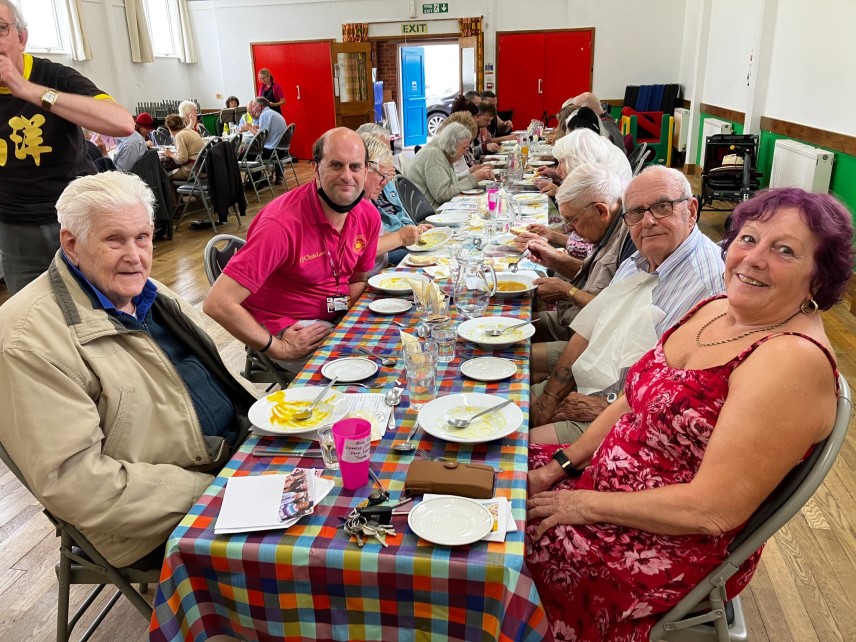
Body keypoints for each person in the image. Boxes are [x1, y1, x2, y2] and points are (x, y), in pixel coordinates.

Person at [526, 187, 853, 641]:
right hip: (600, 487)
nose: (753, 259)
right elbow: (631, 398)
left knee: (490, 551)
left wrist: (579, 503)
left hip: (657, 543)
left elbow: (711, 510)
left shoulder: (790, 361)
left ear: (819, 276)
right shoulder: (718, 308)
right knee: (491, 473)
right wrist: (561, 466)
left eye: (784, 250)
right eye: (748, 238)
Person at [0, 172, 258, 569]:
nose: (135, 255)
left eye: (142, 237)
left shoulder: (145, 290)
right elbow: (77, 484)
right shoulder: (28, 340)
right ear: (71, 243)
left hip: (230, 455)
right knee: (320, 555)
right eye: (114, 239)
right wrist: (212, 490)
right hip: (158, 515)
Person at [530, 166, 725, 440]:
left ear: (691, 210)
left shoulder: (710, 287)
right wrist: (551, 394)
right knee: (504, 405)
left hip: (627, 419)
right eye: (635, 213)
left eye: (662, 207)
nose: (647, 221)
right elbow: (590, 330)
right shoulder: (638, 260)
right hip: (591, 382)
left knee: (512, 452)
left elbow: (684, 395)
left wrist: (605, 406)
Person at [203, 127, 381, 374]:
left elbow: (358, 280)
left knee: (393, 342)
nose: (347, 176)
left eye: (355, 167)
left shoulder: (369, 215)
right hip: (291, 329)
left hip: (334, 316)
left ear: (366, 170)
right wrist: (277, 347)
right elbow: (217, 302)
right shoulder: (280, 225)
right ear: (316, 168)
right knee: (362, 372)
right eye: (336, 165)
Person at [0, 0, 134, 294]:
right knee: (32, 320)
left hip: (76, 219)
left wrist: (29, 91)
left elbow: (122, 123)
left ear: (21, 38)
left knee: (97, 309)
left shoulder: (54, 76)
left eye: (0, 28)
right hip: (15, 229)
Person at [528, 164, 631, 366]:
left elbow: (614, 314)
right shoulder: (609, 226)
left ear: (601, 210)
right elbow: (594, 275)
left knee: (518, 358)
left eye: (572, 220)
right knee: (514, 325)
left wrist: (568, 292)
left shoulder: (631, 240)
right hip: (577, 321)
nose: (570, 230)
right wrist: (553, 260)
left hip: (598, 344)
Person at [359, 132, 430, 269]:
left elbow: (376, 236)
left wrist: (412, 233)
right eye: (383, 176)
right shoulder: (352, 203)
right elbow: (359, 251)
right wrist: (400, 238)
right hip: (373, 277)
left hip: (379, 270)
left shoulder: (366, 202)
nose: (386, 183)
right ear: (366, 169)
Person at [406, 122, 493, 210]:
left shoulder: (442, 151)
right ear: (452, 145)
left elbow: (449, 181)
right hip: (431, 213)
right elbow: (442, 195)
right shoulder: (434, 154)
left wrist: (471, 173)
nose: (465, 153)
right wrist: (473, 178)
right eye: (464, 148)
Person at [242, 97, 287, 185]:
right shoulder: (272, 113)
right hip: (282, 150)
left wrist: (250, 128)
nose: (253, 109)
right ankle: (258, 180)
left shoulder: (265, 115)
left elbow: (261, 138)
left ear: (259, 106)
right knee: (250, 153)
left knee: (247, 154)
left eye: (254, 106)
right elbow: (265, 131)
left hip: (274, 151)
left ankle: (258, 182)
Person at [163, 113, 205, 181]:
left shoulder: (179, 136)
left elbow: (182, 159)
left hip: (191, 171)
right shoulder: (191, 131)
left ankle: (177, 191)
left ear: (169, 128)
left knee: (164, 176)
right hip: (201, 168)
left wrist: (170, 154)